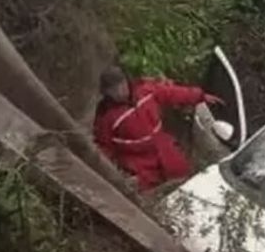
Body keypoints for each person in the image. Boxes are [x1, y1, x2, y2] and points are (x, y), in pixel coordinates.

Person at [93, 65, 223, 191]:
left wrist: (200, 96)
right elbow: (104, 148)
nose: (121, 91)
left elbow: (171, 93)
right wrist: (112, 173)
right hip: (138, 163)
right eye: (114, 90)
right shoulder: (106, 118)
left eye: (122, 85)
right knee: (147, 195)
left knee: (185, 179)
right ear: (107, 93)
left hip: (163, 148)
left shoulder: (144, 91)